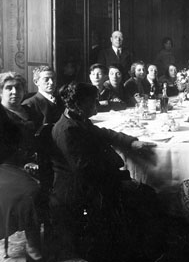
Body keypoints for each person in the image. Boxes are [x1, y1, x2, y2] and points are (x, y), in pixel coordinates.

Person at [50, 82, 162, 262]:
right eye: (93, 102)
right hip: (78, 187)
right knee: (145, 195)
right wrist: (121, 178)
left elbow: (103, 133)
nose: (97, 104)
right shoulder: (66, 130)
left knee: (144, 193)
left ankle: (140, 247)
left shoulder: (77, 119)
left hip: (94, 180)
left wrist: (130, 142)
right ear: (79, 104)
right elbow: (85, 170)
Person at [0, 72, 43, 261]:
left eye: (18, 88)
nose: (14, 92)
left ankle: (59, 235)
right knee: (30, 191)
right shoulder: (1, 115)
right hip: (5, 165)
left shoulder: (31, 111)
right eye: (9, 88)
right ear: (1, 91)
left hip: (35, 161)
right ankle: (32, 243)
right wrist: (25, 161)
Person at [22, 65, 63, 130]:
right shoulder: (29, 104)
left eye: (53, 79)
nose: (51, 82)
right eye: (46, 79)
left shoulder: (61, 100)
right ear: (36, 82)